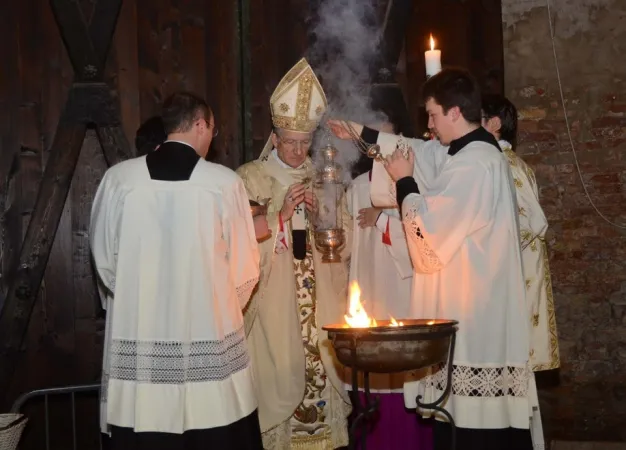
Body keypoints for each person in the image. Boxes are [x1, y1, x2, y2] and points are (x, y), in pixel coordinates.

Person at [328, 68, 543, 450]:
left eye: (432, 114)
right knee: (456, 420)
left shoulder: (476, 165)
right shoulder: (460, 153)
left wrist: (406, 182)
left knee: (477, 431)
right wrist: (360, 131)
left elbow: (430, 239)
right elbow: (415, 149)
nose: (428, 124)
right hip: (467, 307)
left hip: (476, 319)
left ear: (455, 112)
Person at [90, 92, 264, 450]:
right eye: (212, 130)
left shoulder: (119, 180)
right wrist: (217, 310)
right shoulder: (223, 183)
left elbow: (105, 264)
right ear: (201, 124)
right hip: (210, 350)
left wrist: (138, 302)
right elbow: (246, 269)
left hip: (140, 350)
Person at [236, 58, 352, 449]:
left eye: (305, 142)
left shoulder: (324, 178)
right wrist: (280, 214)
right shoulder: (251, 177)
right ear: (274, 136)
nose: (298, 150)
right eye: (290, 141)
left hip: (322, 303)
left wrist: (328, 216)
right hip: (275, 305)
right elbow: (236, 242)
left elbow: (343, 240)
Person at [346, 120, 433, 450]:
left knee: (402, 365)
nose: (377, 148)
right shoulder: (355, 187)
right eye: (371, 140)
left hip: (400, 290)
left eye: (383, 139)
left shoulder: (413, 184)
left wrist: (382, 218)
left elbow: (423, 238)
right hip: (367, 288)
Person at [481, 94, 560, 373]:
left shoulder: (505, 164)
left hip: (513, 274)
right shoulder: (496, 161)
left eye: (475, 120)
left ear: (493, 124)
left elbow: (534, 222)